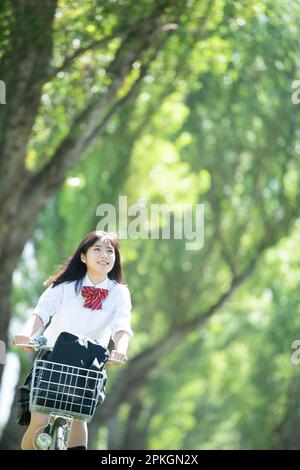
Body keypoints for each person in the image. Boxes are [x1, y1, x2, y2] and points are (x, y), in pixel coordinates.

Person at [13, 230, 134, 450]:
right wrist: (26, 333)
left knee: (79, 418)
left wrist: (121, 349)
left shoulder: (119, 293)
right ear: (83, 256)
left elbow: (122, 326)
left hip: (91, 363)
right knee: (40, 420)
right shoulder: (65, 286)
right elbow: (41, 312)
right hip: (54, 357)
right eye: (97, 249)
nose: (104, 254)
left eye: (110, 251)